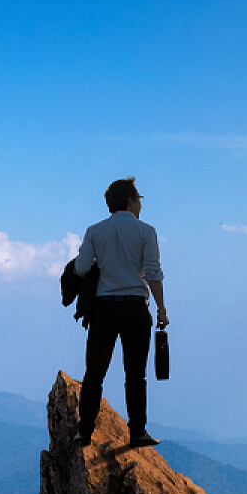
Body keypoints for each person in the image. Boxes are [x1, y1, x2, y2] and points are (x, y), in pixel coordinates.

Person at [75, 176, 169, 448]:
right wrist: (161, 309)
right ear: (130, 200)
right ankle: (137, 433)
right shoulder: (146, 232)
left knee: (95, 373)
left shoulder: (95, 231)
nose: (140, 204)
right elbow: (153, 272)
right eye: (138, 199)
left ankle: (84, 431)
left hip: (103, 309)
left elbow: (81, 268)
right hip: (134, 308)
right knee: (135, 375)